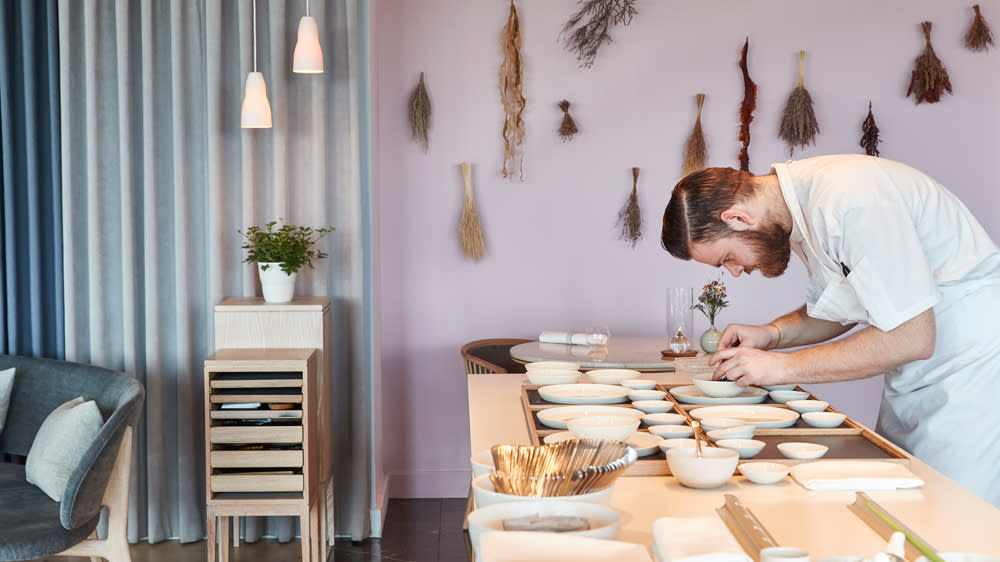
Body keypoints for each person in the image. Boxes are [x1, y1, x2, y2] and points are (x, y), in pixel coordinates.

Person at [660, 154, 1000, 508]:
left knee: (956, 517)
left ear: (737, 218)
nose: (733, 271)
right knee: (902, 503)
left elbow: (912, 336)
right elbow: (848, 305)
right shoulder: (800, 209)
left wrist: (781, 367)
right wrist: (771, 334)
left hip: (971, 366)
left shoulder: (852, 201)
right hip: (920, 368)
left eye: (726, 257)